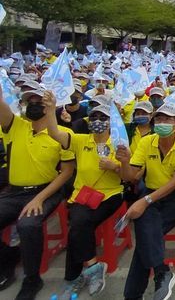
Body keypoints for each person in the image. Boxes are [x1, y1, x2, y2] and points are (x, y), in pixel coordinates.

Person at [43, 94, 123, 299]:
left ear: (110, 121)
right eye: (94, 117)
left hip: (110, 195)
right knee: (80, 223)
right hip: (82, 196)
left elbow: (129, 174)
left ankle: (75, 276)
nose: (98, 122)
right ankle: (92, 267)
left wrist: (115, 166)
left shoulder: (119, 142)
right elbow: (54, 132)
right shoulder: (80, 140)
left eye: (103, 118)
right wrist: (51, 110)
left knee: (78, 225)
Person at [0, 86, 75, 300]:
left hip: (46, 190)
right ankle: (9, 256)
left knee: (28, 224)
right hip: (14, 192)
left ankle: (32, 279)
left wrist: (39, 198)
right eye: (29, 101)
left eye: (38, 101)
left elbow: (67, 171)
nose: (33, 104)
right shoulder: (14, 125)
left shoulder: (62, 133)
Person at [116, 103, 175, 300]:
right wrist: (124, 162)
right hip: (151, 192)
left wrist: (144, 201)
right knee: (147, 231)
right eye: (158, 119)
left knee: (146, 232)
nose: (162, 123)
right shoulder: (146, 142)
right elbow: (131, 177)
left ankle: (134, 294)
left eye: (167, 119)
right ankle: (161, 272)